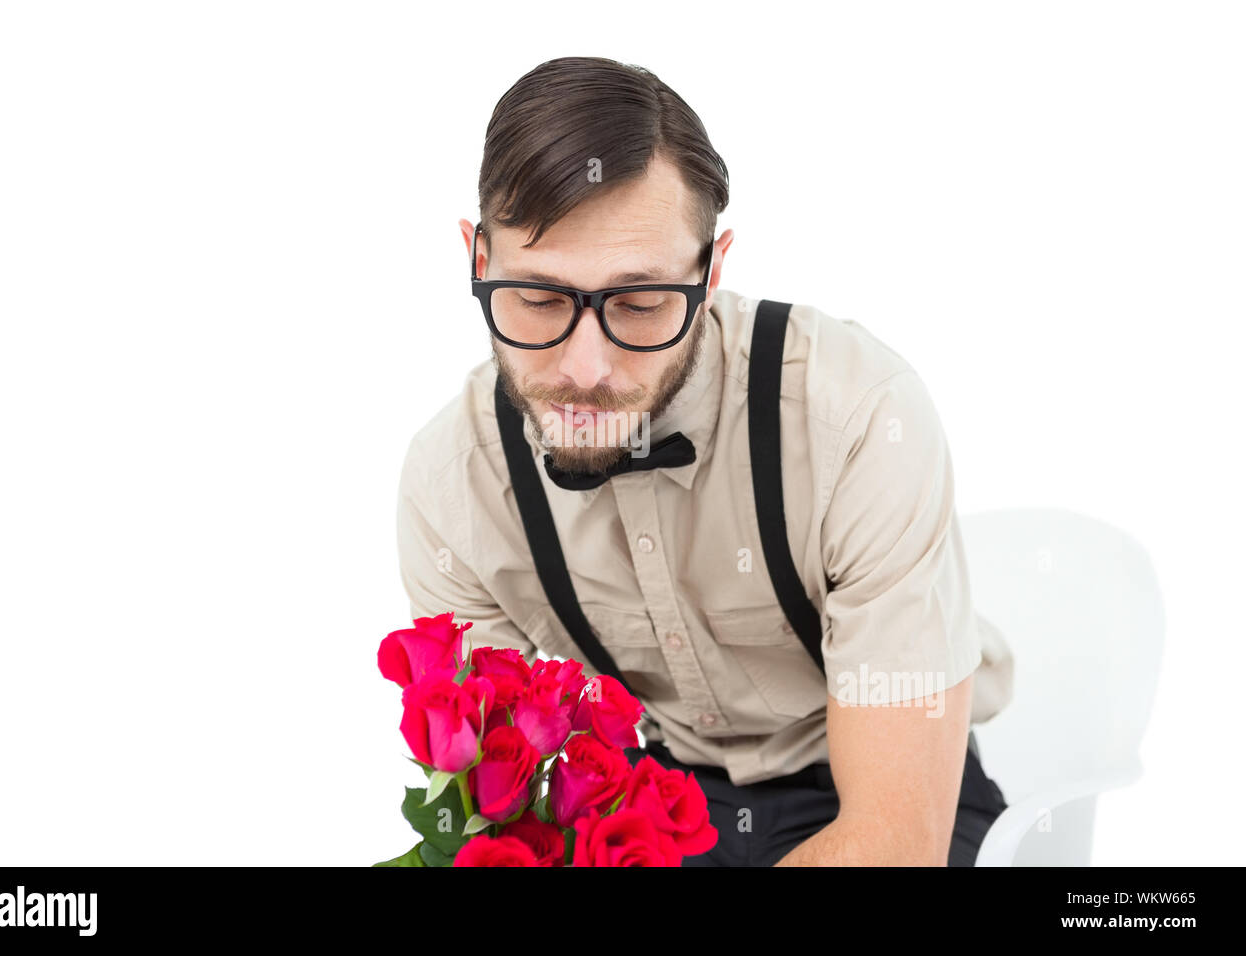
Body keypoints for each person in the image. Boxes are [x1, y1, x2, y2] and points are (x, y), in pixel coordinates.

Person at [396, 55, 1015, 866]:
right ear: (479, 259)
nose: (585, 369)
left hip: (881, 783)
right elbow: (504, 818)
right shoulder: (454, 488)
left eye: (640, 303)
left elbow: (894, 841)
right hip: (657, 798)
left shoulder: (858, 417)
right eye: (540, 300)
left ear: (713, 271)